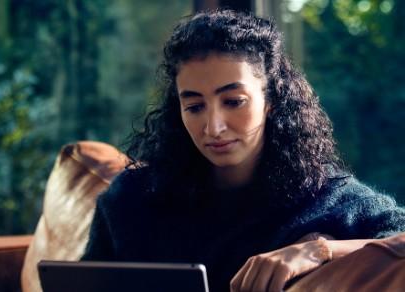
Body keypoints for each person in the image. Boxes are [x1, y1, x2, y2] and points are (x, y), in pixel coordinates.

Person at [81, 9, 405, 292]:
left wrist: (317, 250)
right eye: (194, 106)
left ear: (271, 102)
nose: (213, 127)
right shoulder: (130, 199)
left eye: (234, 101)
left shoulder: (329, 201)